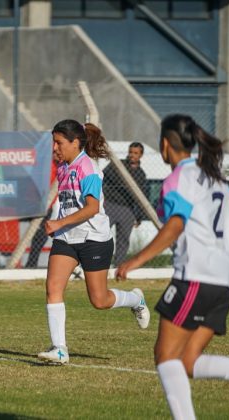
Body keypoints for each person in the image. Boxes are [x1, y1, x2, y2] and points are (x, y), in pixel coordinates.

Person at [115, 114, 229, 418]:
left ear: (165, 144)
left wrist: (136, 260)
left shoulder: (178, 179)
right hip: (224, 281)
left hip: (196, 277)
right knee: (187, 361)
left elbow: (176, 224)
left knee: (165, 357)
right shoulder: (214, 178)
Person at [38, 119, 150, 365]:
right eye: (53, 143)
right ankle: (59, 349)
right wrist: (60, 226)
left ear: (75, 142)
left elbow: (92, 208)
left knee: (99, 300)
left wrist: (58, 222)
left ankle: (135, 299)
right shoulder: (64, 167)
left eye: (59, 143)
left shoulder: (87, 168)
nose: (54, 148)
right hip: (67, 238)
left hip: (94, 239)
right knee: (53, 288)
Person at [102, 142, 148, 266]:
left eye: (135, 153)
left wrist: (139, 217)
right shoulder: (118, 165)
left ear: (141, 155)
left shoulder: (141, 174)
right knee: (101, 234)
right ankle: (98, 262)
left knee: (123, 240)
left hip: (128, 209)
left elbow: (142, 196)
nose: (132, 155)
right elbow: (103, 175)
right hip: (110, 205)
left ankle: (118, 266)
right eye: (130, 152)